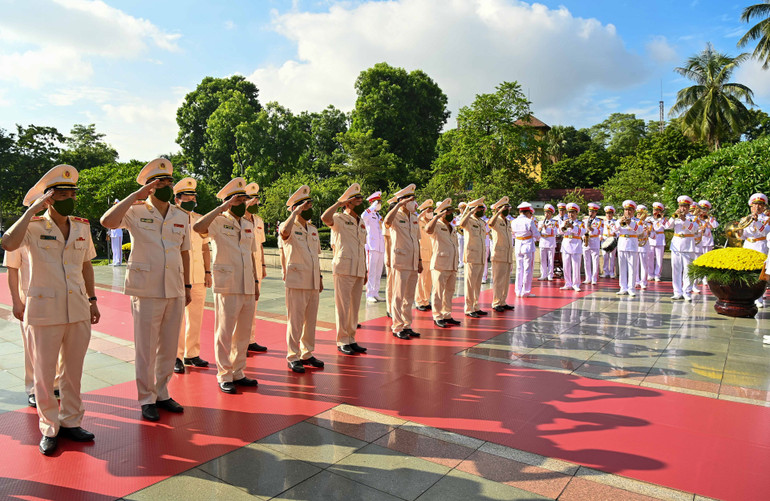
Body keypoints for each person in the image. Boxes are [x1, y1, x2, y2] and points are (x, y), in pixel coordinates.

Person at [1, 165, 100, 455]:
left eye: (72, 192)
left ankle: (71, 421)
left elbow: (86, 265)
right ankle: (49, 427)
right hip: (44, 310)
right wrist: (31, 211)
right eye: (62, 193)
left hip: (78, 308)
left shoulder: (81, 226)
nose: (69, 197)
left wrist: (93, 299)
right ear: (49, 197)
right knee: (44, 376)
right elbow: (7, 242)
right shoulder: (31, 227)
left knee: (73, 371)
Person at [101, 158, 191, 421]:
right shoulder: (136, 210)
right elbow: (108, 221)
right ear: (149, 186)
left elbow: (184, 252)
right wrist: (135, 196)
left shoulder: (180, 215)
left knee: (169, 344)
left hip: (174, 286)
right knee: (146, 347)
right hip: (146, 288)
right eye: (159, 181)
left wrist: (187, 286)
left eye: (168, 181)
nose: (165, 185)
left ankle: (162, 392)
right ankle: (146, 398)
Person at [192, 178, 259, 393]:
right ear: (229, 201)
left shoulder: (249, 224)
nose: (243, 203)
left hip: (247, 283)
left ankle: (238, 371)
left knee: (243, 332)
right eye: (238, 199)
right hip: (227, 284)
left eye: (244, 199)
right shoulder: (218, 221)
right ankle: (224, 374)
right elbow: (197, 227)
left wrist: (256, 281)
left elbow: (250, 255)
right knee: (225, 331)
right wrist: (222, 207)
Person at [280, 185, 325, 372]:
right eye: (305, 206)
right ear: (296, 208)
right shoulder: (288, 225)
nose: (309, 209)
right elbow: (284, 233)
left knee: (310, 320)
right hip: (296, 280)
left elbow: (316, 256)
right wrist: (294, 214)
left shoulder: (313, 229)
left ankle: (307, 353)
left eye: (309, 206)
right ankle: (293, 355)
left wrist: (320, 277)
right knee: (295, 320)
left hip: (313, 280)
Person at [321, 183, 368, 355]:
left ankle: (351, 338)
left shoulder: (361, 221)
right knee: (343, 306)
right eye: (356, 200)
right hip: (344, 267)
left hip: (358, 267)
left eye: (361, 199)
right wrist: (339, 203)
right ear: (348, 203)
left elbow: (362, 246)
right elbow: (325, 218)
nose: (360, 202)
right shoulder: (340, 218)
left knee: (355, 306)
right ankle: (342, 340)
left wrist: (366, 269)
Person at [173, 178, 211, 374]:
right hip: (178, 275)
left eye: (193, 196)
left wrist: (208, 271)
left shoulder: (198, 219)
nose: (192, 199)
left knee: (196, 316)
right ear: (177, 199)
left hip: (197, 275)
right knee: (177, 318)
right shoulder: (171, 216)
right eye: (188, 196)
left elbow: (205, 248)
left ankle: (192, 353)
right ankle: (176, 356)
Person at [383, 184, 422, 339]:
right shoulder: (395, 215)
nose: (414, 203)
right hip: (400, 259)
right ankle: (397, 326)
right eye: (410, 200)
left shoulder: (414, 217)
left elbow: (417, 240)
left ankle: (407, 324)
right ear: (403, 201)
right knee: (398, 296)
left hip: (413, 261)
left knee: (409, 296)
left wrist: (420, 260)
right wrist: (398, 205)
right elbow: (386, 221)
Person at [425, 198, 461, 328]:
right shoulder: (437, 225)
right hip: (440, 263)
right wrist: (437, 217)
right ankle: (437, 316)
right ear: (442, 213)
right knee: (438, 292)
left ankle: (447, 314)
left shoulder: (452, 226)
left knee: (449, 291)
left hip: (451, 264)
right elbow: (428, 229)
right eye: (449, 212)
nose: (451, 214)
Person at [243, 182, 269, 353]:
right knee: (242, 306)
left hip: (257, 267)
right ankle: (240, 341)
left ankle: (250, 339)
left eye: (256, 200)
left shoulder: (258, 221)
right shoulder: (237, 220)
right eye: (251, 200)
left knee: (253, 305)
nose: (255, 203)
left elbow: (259, 245)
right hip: (243, 266)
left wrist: (263, 265)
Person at [739, 193, 769, 308]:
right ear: (751, 207)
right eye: (755, 205)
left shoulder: (767, 219)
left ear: (763, 206)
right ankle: (746, 296)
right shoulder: (745, 219)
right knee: (747, 272)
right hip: (748, 246)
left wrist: (756, 221)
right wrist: (739, 232)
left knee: (759, 274)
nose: (757, 207)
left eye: (760, 205)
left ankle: (759, 298)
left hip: (761, 246)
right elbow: (742, 236)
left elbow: (766, 232)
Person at [665, 196, 698, 301]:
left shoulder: (693, 218)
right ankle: (677, 292)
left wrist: (684, 219)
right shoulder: (675, 217)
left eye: (684, 206)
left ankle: (687, 292)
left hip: (688, 246)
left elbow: (693, 229)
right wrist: (673, 216)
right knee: (676, 270)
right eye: (681, 206)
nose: (682, 208)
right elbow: (667, 226)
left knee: (688, 270)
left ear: (688, 207)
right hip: (676, 246)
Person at [488, 197, 514, 310]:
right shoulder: (496, 219)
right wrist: (498, 211)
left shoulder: (507, 221)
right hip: (499, 254)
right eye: (505, 208)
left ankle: (503, 301)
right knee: (498, 280)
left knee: (505, 279)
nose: (507, 210)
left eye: (508, 208)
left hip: (507, 254)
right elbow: (490, 224)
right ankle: (496, 302)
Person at [511, 202, 540, 297]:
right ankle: (525, 291)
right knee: (527, 269)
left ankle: (517, 291)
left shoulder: (514, 221)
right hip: (527, 246)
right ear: (528, 212)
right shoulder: (529, 221)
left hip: (518, 245)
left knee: (519, 268)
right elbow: (537, 235)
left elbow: (513, 234)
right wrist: (535, 237)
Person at [615, 200, 642, 297]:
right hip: (622, 244)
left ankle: (631, 288)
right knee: (622, 267)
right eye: (626, 210)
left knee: (632, 268)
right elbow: (613, 230)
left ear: (633, 211)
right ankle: (623, 287)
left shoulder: (637, 221)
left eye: (630, 210)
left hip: (632, 245)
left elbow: (639, 231)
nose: (628, 212)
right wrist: (620, 223)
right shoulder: (619, 220)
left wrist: (630, 223)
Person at [362, 191, 385, 303]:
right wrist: (372, 207)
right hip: (372, 246)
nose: (379, 204)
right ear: (372, 203)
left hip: (380, 246)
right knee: (371, 271)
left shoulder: (378, 215)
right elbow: (362, 216)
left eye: (380, 202)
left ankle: (376, 292)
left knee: (378, 271)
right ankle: (369, 294)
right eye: (378, 202)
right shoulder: (368, 213)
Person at [559, 203, 585, 292]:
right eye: (569, 212)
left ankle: (576, 284)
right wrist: (564, 226)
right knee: (566, 266)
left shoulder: (581, 223)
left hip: (576, 245)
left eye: (573, 212)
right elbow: (560, 232)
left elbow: (582, 232)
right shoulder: (564, 221)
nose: (571, 214)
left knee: (576, 266)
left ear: (576, 213)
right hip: (566, 245)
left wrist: (572, 227)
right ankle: (567, 283)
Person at [693, 200, 718, 293]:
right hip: (698, 242)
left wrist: (709, 219)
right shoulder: (695, 218)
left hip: (707, 242)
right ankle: (695, 282)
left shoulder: (709, 218)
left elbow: (715, 226)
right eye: (702, 209)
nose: (703, 211)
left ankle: (705, 278)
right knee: (697, 263)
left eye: (705, 209)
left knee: (707, 262)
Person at [415, 199, 434, 311]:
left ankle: (426, 300)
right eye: (428, 210)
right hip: (422, 254)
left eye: (431, 210)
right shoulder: (419, 221)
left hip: (431, 254)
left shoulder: (430, 223)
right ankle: (419, 301)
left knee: (428, 280)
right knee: (421, 280)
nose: (431, 212)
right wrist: (420, 215)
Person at [582, 202, 603, 285]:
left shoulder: (600, 221)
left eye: (593, 212)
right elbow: (581, 231)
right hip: (586, 242)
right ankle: (588, 278)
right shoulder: (584, 221)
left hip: (595, 241)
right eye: (590, 211)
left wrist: (592, 230)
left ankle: (594, 278)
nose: (591, 213)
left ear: (596, 212)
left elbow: (601, 231)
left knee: (595, 261)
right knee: (586, 261)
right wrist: (583, 236)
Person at [383, 196, 397, 318]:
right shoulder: (387, 222)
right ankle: (389, 308)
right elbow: (387, 241)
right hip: (390, 255)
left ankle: (396, 308)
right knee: (391, 283)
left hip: (399, 256)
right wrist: (387, 257)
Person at [634, 205, 653, 290]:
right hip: (635, 244)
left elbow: (653, 235)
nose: (640, 215)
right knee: (635, 264)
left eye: (641, 214)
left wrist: (648, 232)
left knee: (644, 265)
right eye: (638, 214)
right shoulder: (634, 222)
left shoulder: (648, 223)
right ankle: (636, 281)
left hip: (644, 244)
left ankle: (643, 282)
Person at [538, 204, 557, 281]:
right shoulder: (540, 222)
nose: (547, 214)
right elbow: (538, 232)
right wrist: (540, 229)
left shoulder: (555, 222)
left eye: (549, 213)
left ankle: (550, 275)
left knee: (550, 259)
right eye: (546, 212)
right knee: (542, 259)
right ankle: (543, 274)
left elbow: (556, 231)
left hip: (550, 242)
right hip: (542, 241)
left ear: (551, 214)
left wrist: (547, 229)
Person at [649, 202, 667, 282]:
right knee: (650, 258)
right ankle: (650, 274)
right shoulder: (649, 219)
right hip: (651, 240)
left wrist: (660, 219)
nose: (656, 212)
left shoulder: (663, 219)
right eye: (655, 210)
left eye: (658, 210)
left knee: (659, 259)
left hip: (660, 239)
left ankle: (657, 275)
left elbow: (666, 226)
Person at [601, 206, 617, 278]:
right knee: (605, 256)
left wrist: (616, 235)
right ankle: (605, 271)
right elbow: (599, 231)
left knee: (612, 257)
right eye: (607, 213)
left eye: (610, 213)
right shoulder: (602, 222)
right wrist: (600, 237)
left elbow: (619, 231)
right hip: (604, 240)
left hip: (612, 240)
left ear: (612, 214)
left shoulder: (616, 222)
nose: (608, 215)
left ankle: (612, 272)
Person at [107, 200, 123, 266]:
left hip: (118, 232)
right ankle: (114, 260)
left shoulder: (121, 213)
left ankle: (119, 261)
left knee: (118, 248)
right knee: (113, 248)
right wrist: (109, 233)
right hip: (113, 233)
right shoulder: (112, 213)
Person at [454, 202, 467, 268]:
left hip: (466, 234)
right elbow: (456, 225)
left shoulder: (467, 216)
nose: (462, 210)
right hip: (460, 235)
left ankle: (465, 261)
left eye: (464, 208)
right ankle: (461, 261)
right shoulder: (457, 217)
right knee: (460, 248)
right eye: (461, 208)